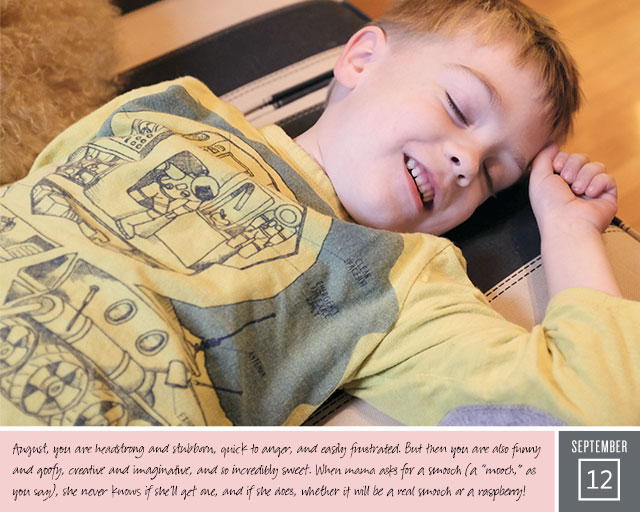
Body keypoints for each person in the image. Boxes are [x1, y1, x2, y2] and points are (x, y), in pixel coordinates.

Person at [0, 0, 637, 427]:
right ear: (361, 60)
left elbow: (592, 421)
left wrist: (569, 231)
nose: (468, 163)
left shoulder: (394, 285)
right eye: (460, 108)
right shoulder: (170, 108)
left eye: (496, 174)